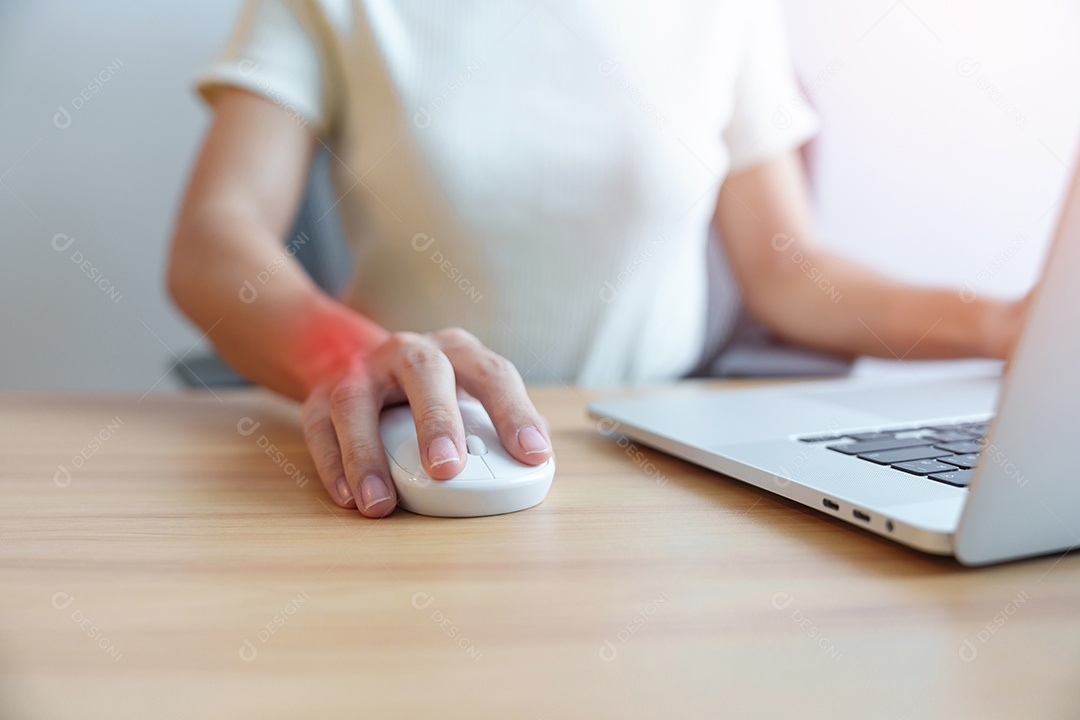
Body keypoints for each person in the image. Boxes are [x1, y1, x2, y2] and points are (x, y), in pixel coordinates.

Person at [167, 0, 1027, 518]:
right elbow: (214, 238)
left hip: (656, 471)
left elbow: (789, 268)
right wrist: (350, 359)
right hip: (417, 463)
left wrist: (1011, 325)